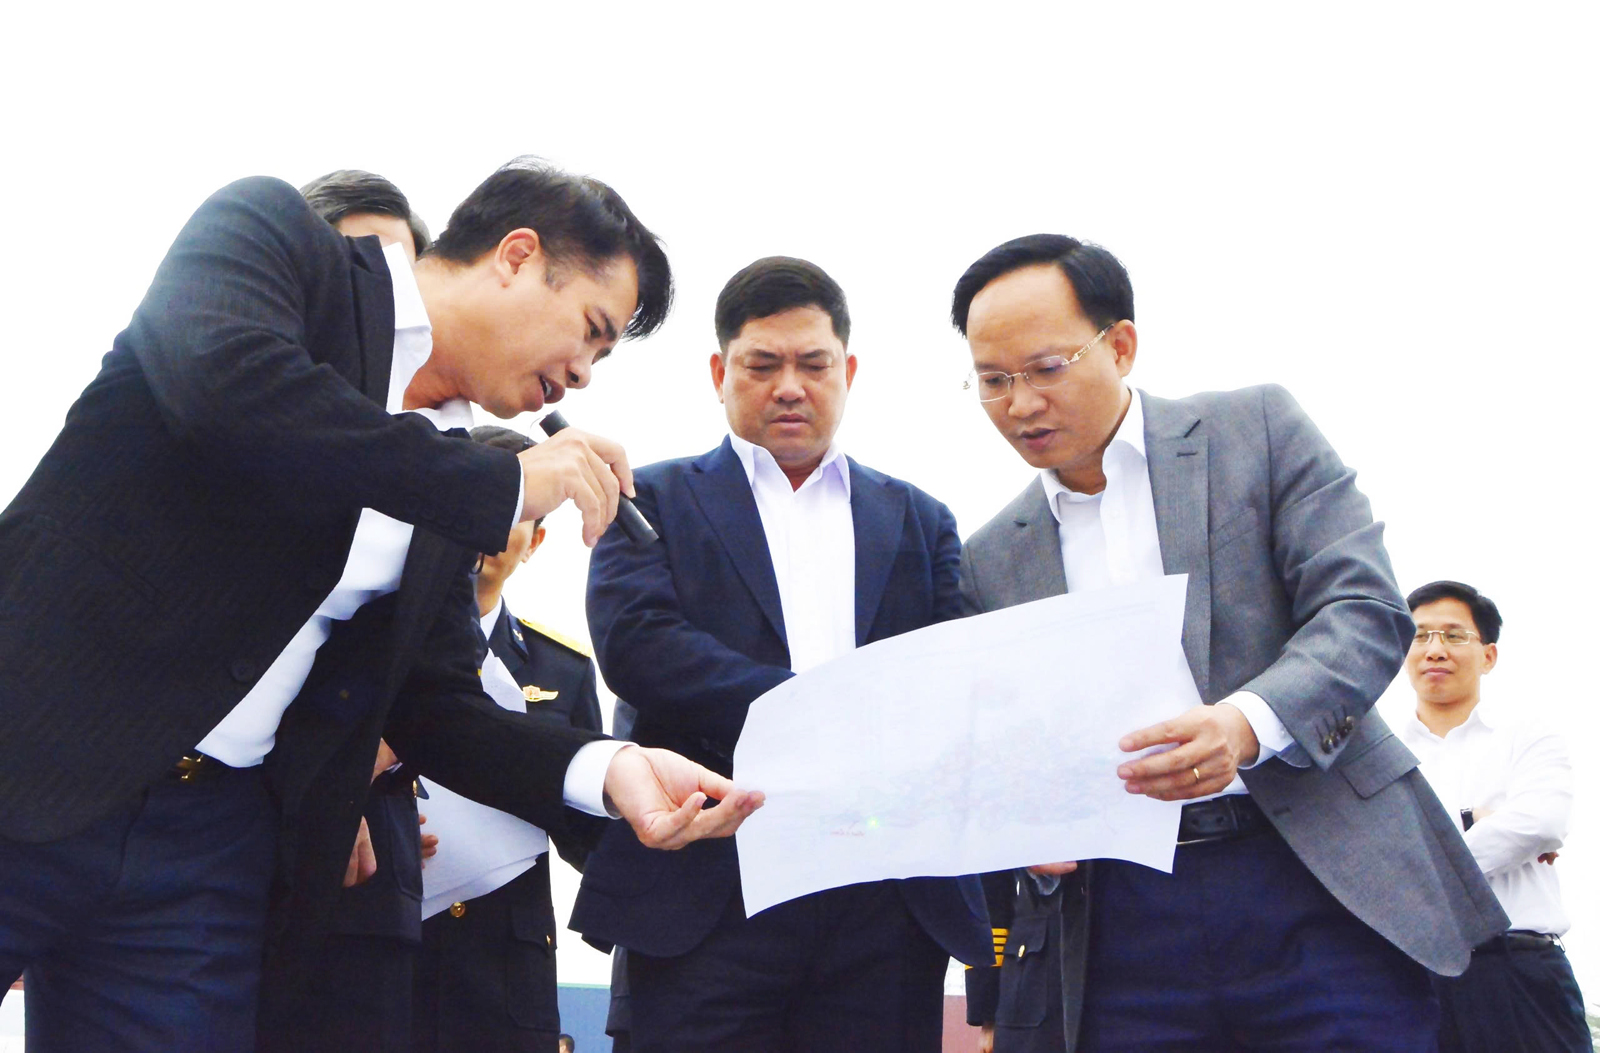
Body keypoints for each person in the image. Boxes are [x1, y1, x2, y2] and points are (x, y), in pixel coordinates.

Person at [0, 159, 760, 1053]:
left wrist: (610, 767)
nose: (585, 375)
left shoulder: (452, 475)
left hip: (203, 851)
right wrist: (499, 482)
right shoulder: (278, 241)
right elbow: (224, 388)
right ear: (517, 256)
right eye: (592, 330)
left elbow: (436, 704)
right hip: (33, 754)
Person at [951, 234, 1506, 1051]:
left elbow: (1361, 606)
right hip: (1119, 921)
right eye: (993, 380)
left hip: (1316, 876)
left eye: (1046, 368)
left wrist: (1246, 723)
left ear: (1121, 344)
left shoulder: (1257, 430)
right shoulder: (990, 557)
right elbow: (1001, 742)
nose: (1021, 403)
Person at [573, 257, 991, 1052]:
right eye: (762, 365)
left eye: (813, 364)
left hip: (882, 897)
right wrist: (820, 710)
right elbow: (639, 647)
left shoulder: (920, 518)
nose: (789, 387)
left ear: (849, 372)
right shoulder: (650, 500)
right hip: (707, 885)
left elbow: (955, 670)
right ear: (719, 372)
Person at [264, 168, 440, 1053]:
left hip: (354, 870)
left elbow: (433, 690)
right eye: (353, 269)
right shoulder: (204, 410)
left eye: (398, 277)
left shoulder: (434, 475)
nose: (378, 300)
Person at [409, 424, 606, 1053]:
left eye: (514, 509)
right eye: (478, 498)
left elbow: (589, 832)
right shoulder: (373, 643)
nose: (489, 526)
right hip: (389, 936)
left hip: (505, 964)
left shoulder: (562, 668)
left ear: (536, 540)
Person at [1399, 581, 1591, 1053]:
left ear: (1488, 656)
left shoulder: (1527, 735)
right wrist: (1477, 822)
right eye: (1420, 636)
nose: (1435, 649)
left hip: (1517, 974)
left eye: (1453, 635)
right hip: (1407, 979)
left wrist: (1410, 863)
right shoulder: (1379, 755)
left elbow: (1540, 824)